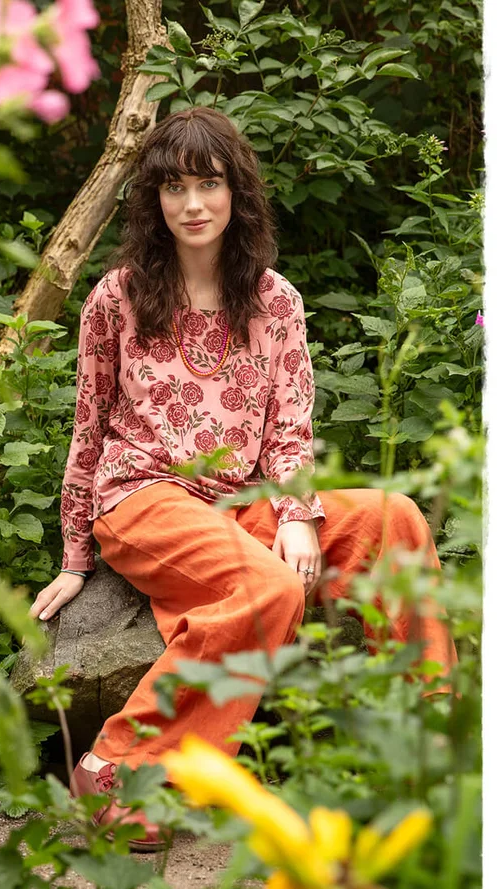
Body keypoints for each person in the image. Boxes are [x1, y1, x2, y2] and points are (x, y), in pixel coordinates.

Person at [27, 107, 457, 851]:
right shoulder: (117, 299)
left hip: (244, 504)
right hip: (143, 497)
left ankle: (436, 750)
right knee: (270, 589)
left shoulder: (276, 300)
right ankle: (116, 768)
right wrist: (74, 557)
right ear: (154, 201)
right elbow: (88, 428)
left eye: (208, 183)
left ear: (237, 192)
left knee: (396, 518)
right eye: (173, 187)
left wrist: (295, 510)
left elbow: (292, 421)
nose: (192, 204)